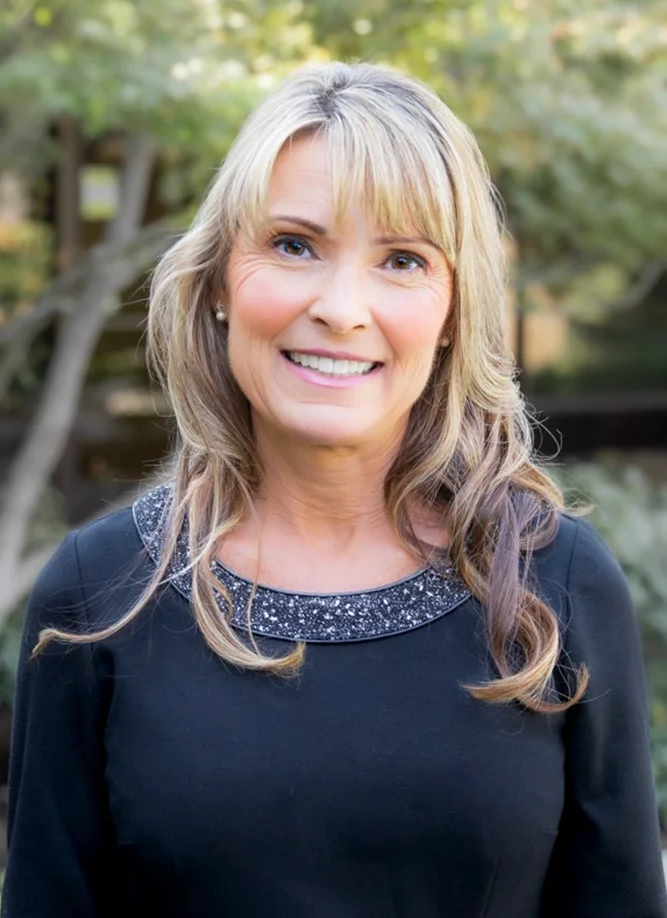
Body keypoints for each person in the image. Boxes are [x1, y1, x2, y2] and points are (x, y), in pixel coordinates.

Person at [2, 61, 666, 918]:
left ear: (452, 312)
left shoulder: (553, 586)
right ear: (215, 283)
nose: (342, 308)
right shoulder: (99, 596)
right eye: (293, 245)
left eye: (401, 259)